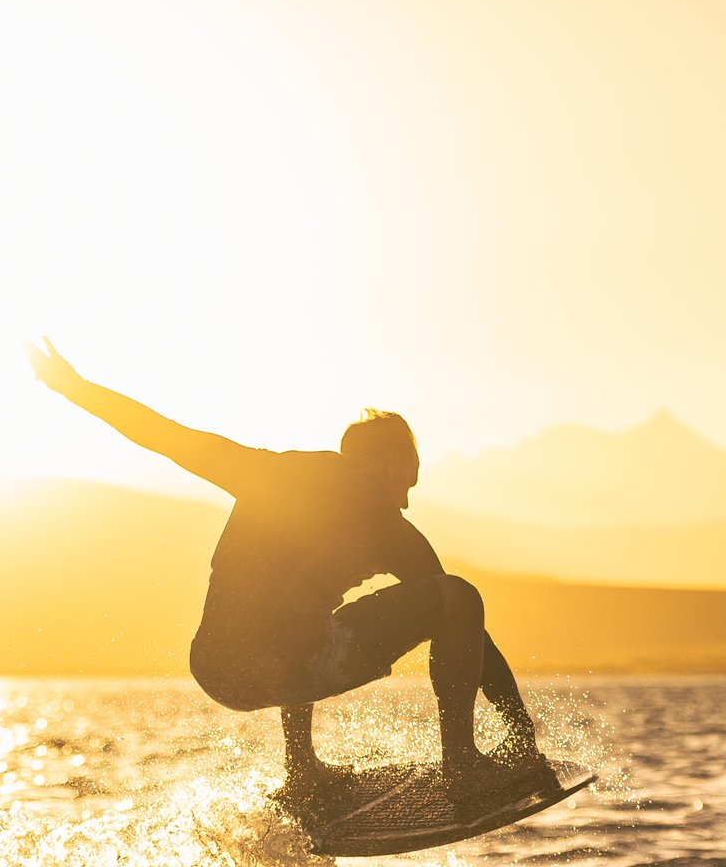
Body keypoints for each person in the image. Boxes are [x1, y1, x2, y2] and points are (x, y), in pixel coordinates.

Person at [28, 339, 547, 809]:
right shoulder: (387, 527)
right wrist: (523, 735)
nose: (407, 498)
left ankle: (303, 772)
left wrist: (72, 387)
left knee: (306, 611)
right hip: (280, 665)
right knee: (455, 595)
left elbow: (168, 437)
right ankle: (462, 766)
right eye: (407, 479)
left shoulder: (272, 476)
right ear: (389, 463)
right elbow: (464, 621)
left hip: (215, 667)